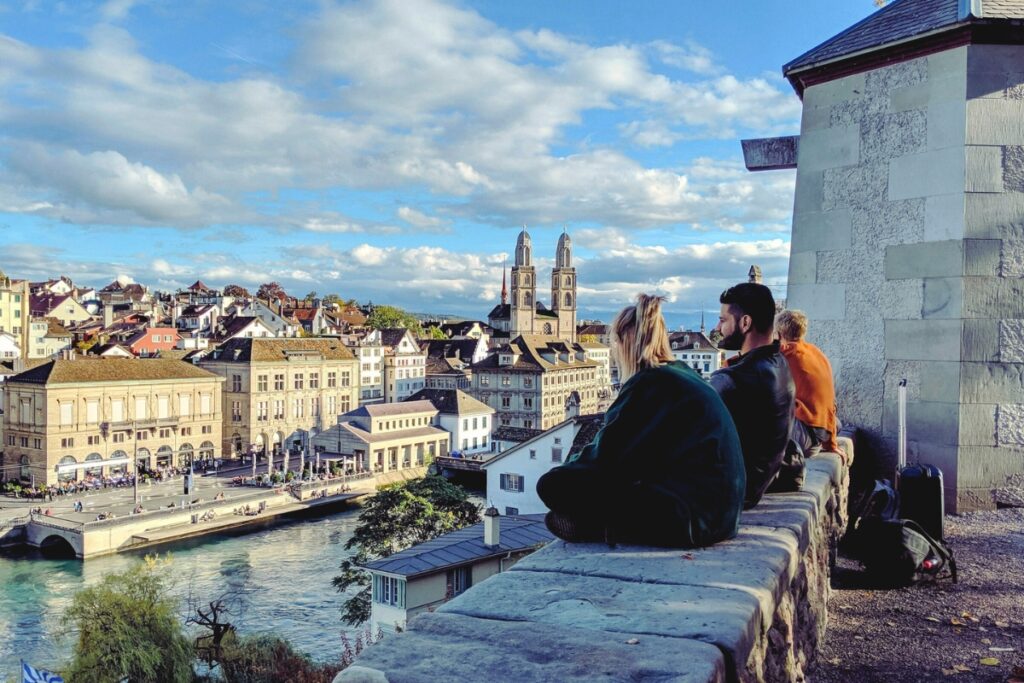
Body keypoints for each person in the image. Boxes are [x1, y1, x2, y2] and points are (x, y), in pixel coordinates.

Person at [536, 294, 746, 548]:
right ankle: (599, 522)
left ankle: (599, 525)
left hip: (692, 519)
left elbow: (606, 458)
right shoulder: (681, 373)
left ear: (624, 342)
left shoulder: (649, 384)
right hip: (720, 514)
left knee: (551, 486)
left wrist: (565, 472)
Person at [710, 282, 795, 509]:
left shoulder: (734, 379)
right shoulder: (780, 364)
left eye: (723, 320)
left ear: (745, 322)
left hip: (730, 492)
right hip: (755, 485)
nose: (718, 328)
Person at [775, 309, 841, 460]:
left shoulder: (786, 352)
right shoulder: (817, 353)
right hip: (824, 431)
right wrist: (831, 445)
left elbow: (752, 360)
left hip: (804, 441)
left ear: (778, 334)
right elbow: (831, 403)